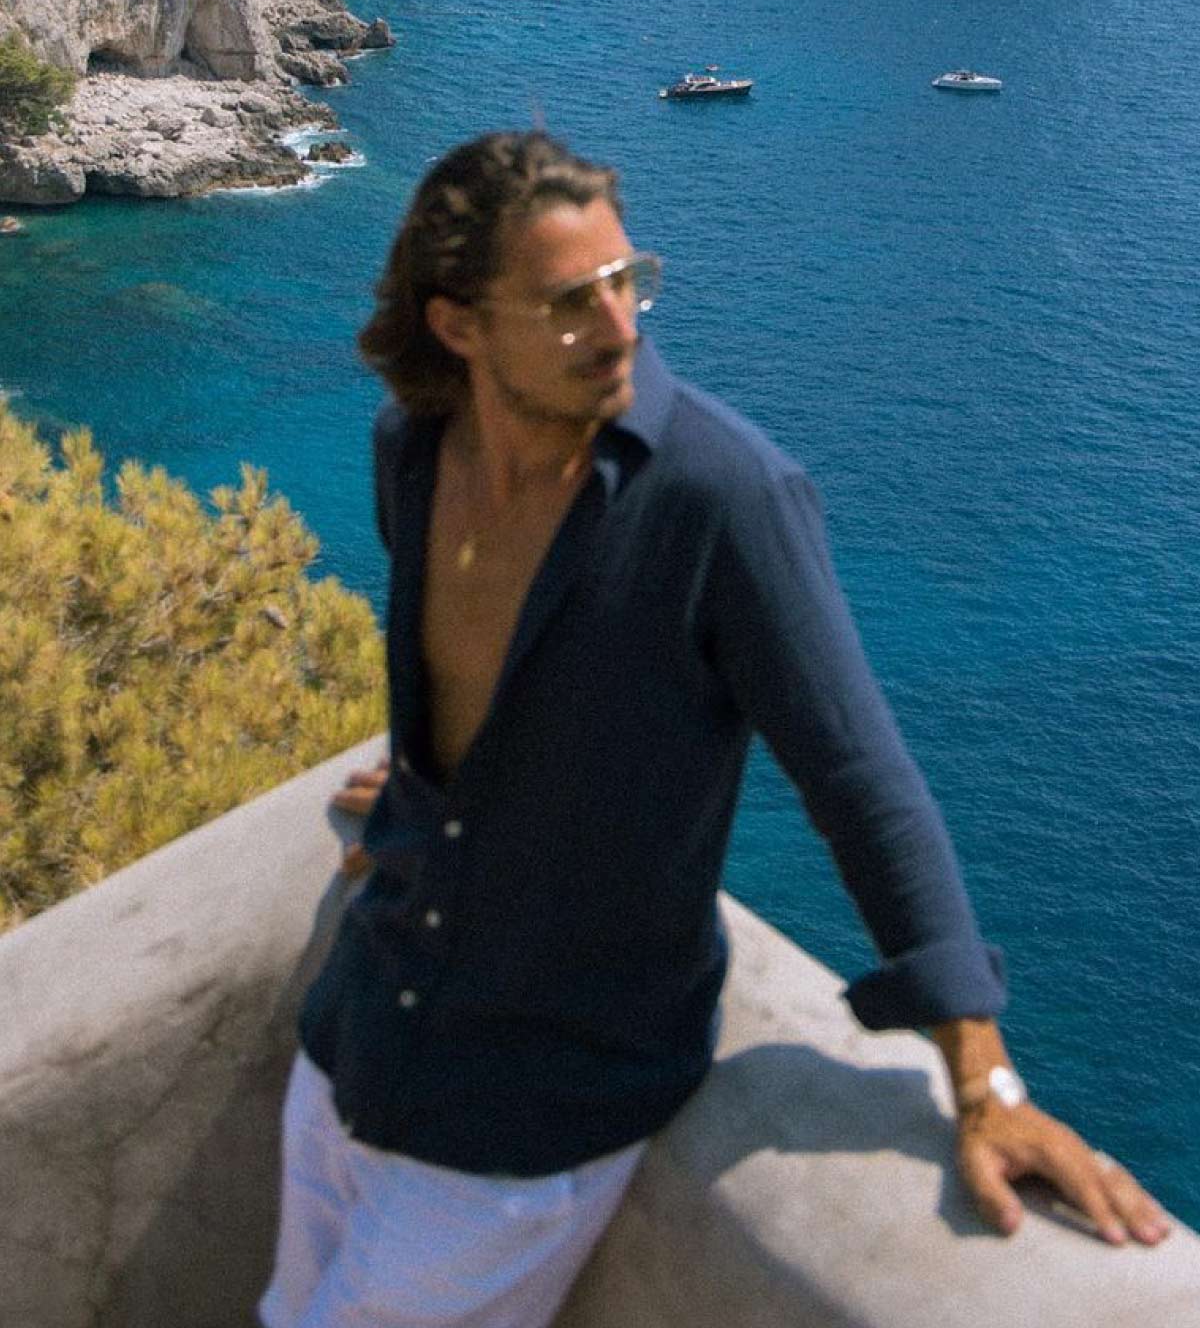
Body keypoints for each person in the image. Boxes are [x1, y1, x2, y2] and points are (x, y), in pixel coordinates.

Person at [260, 130, 1169, 1328]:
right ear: (459, 326)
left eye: (628, 280)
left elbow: (861, 779)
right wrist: (444, 799)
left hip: (529, 1119)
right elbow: (463, 678)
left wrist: (984, 1073)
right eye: (569, 302)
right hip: (356, 1037)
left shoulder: (724, 500)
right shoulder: (412, 453)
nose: (622, 325)